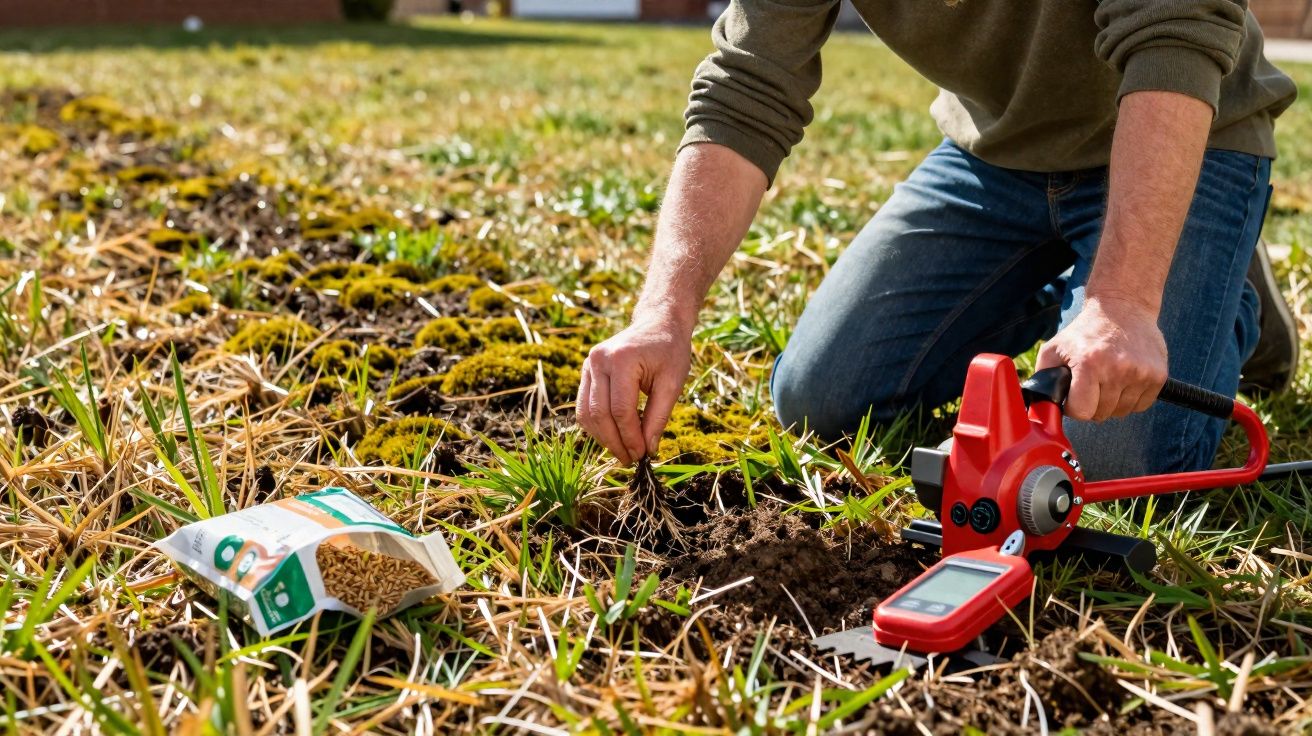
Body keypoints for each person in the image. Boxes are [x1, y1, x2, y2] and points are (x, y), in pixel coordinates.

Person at [575, 0, 1298, 480]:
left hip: (1185, 135)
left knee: (1103, 460)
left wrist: (1128, 302)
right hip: (998, 154)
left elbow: (1175, 34)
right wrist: (663, 312)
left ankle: (1224, 296)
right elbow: (748, 84)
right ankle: (1102, 281)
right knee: (821, 399)